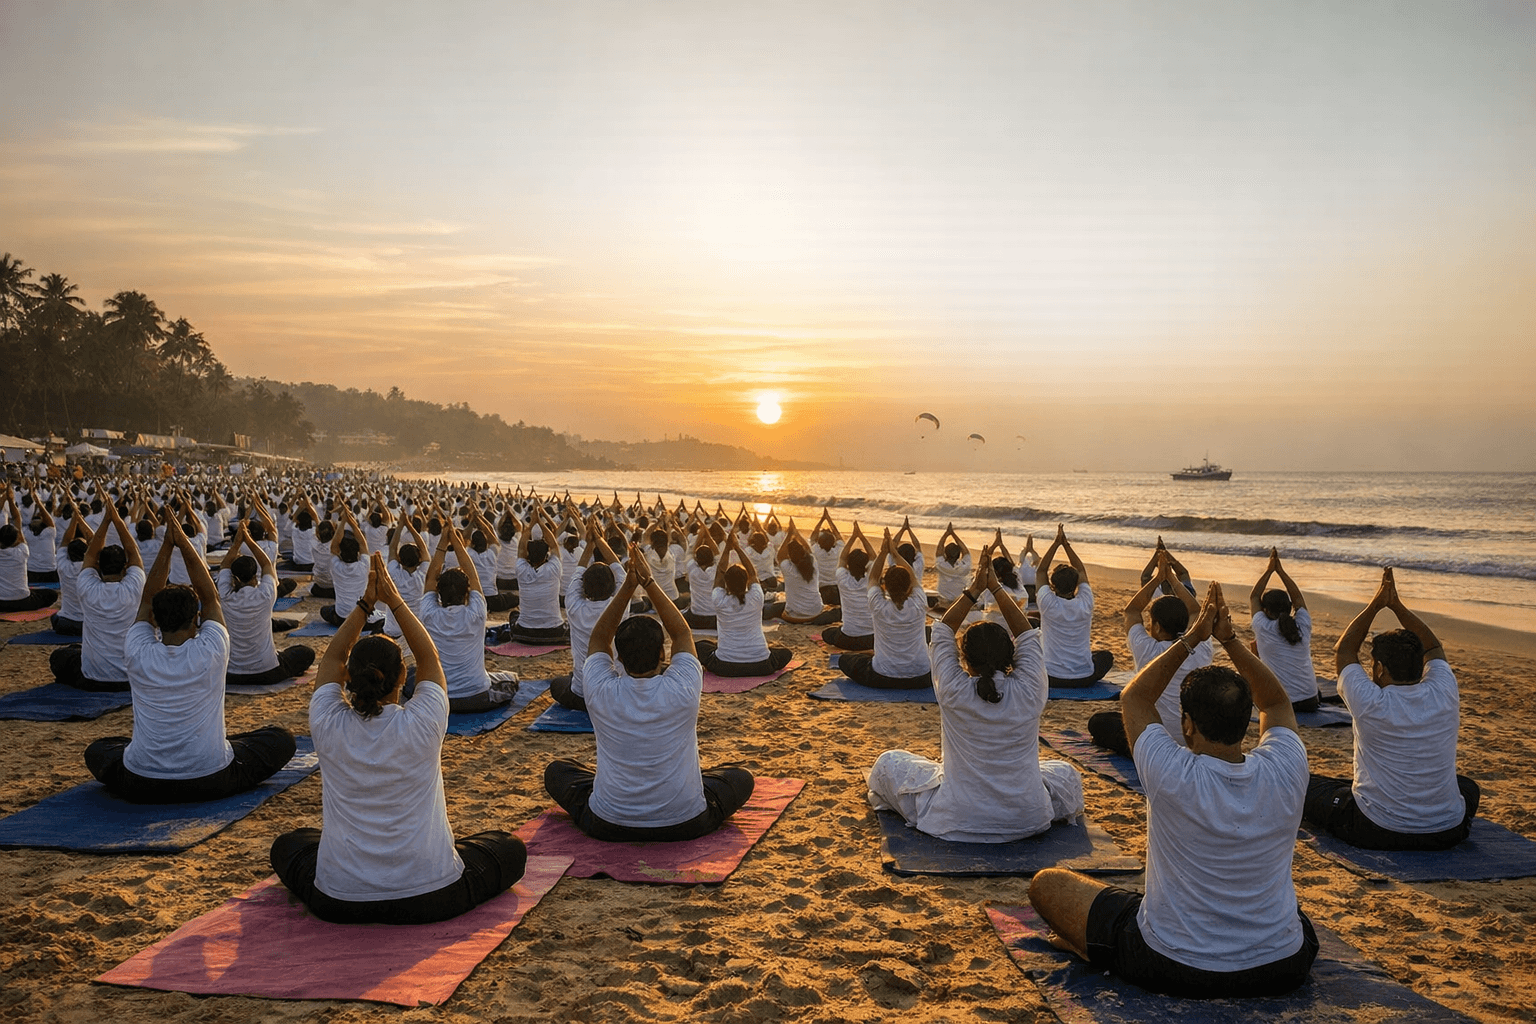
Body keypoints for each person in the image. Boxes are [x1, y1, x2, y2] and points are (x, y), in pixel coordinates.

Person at [1028, 582, 1318, 998]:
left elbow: (1136, 698)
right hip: (1283, 965)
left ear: (1186, 726)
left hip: (1173, 962)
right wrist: (1230, 640)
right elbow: (1276, 704)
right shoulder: (1287, 765)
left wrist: (1193, 638)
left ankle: (1098, 949)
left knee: (1046, 884)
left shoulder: (1171, 770)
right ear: (1246, 721)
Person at [270, 552, 526, 924]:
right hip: (433, 895)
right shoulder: (423, 719)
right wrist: (395, 601)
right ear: (404, 679)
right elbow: (430, 659)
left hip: (339, 900)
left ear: (347, 678)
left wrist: (364, 605)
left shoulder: (327, 720)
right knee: (510, 849)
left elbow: (330, 660)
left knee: (288, 845)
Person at [867, 549, 1084, 840]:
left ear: (964, 659)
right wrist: (994, 587)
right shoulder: (1031, 689)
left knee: (887, 762)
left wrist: (974, 591)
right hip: (1028, 817)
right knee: (1065, 773)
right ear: (1012, 657)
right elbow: (1027, 636)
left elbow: (942, 629)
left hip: (957, 816)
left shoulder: (953, 689)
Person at [544, 545, 755, 841]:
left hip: (608, 823)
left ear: (618, 658)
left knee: (557, 771)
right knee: (741, 778)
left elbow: (599, 637)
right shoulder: (682, 685)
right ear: (661, 655)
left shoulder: (599, 688)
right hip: (687, 821)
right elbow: (682, 633)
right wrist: (649, 582)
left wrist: (629, 587)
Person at [83, 514, 297, 802]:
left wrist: (168, 547)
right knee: (281, 738)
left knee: (98, 750)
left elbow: (147, 600)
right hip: (210, 778)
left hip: (142, 781)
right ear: (197, 620)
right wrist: (183, 544)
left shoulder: (136, 649)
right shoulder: (212, 648)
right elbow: (210, 598)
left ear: (155, 622)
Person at [1303, 567, 1479, 850]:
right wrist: (1397, 606)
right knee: (1467, 787)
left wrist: (1376, 604)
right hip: (1448, 831)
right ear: (1422, 666)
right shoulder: (1444, 690)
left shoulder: (1371, 701)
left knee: (1302, 784)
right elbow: (1433, 646)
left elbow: (1344, 651)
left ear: (1380, 668)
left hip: (1375, 828)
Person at [1087, 549, 1208, 757]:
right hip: (1190, 739)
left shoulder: (1147, 649)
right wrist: (1171, 579)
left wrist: (1157, 580)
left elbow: (1132, 611)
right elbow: (1197, 612)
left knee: (1099, 723)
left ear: (1158, 627)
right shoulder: (1201, 646)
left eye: (1151, 623)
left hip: (1157, 742)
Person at [50, 483, 145, 691]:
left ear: (98, 568)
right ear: (125, 568)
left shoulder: (86, 586)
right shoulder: (134, 586)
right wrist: (116, 520)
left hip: (93, 678)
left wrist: (106, 521)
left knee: (60, 656)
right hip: (131, 678)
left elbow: (92, 553)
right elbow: (132, 550)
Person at [418, 521, 519, 714]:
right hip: (478, 697)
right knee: (511, 679)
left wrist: (443, 543)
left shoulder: (429, 613)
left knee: (412, 679)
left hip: (441, 699)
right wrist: (456, 543)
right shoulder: (477, 612)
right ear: (467, 593)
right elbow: (472, 574)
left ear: (439, 594)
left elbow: (430, 578)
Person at [218, 520, 316, 687]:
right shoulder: (265, 594)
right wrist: (249, 540)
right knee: (306, 653)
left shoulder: (224, 596)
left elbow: (225, 565)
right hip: (267, 672)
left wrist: (237, 543)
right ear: (255, 577)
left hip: (232, 674)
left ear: (233, 578)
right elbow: (266, 564)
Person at [837, 529, 931, 689]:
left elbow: (873, 577)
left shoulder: (878, 604)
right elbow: (913, 576)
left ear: (885, 586)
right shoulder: (919, 601)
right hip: (921, 678)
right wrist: (894, 553)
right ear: (909, 586)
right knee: (928, 631)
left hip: (883, 676)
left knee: (844, 660)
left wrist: (884, 553)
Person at [549, 526, 628, 711]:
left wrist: (590, 544)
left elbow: (579, 569)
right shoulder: (619, 606)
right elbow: (619, 569)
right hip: (614, 693)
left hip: (583, 695)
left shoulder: (574, 605)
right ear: (612, 586)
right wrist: (599, 540)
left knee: (557, 684)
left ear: (584, 587)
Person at [694, 532, 793, 677]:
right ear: (746, 582)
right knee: (785, 653)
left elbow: (719, 575)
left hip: (725, 666)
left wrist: (727, 548)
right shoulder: (756, 596)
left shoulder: (720, 599)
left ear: (726, 584)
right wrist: (738, 548)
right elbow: (753, 573)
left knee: (699, 646)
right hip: (761, 665)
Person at [1034, 524, 1113, 687]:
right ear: (1077, 584)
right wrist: (1066, 544)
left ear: (1053, 586)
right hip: (1084, 678)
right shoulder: (1086, 601)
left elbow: (1041, 571)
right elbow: (1081, 570)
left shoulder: (1047, 603)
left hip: (1050, 677)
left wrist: (1056, 543)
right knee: (1106, 657)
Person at [1249, 548, 1322, 711]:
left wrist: (1269, 570)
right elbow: (1297, 598)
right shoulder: (1302, 624)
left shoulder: (1263, 626)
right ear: (1290, 608)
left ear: (1265, 610)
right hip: (1311, 700)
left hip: (1282, 704)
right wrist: (1281, 572)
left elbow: (1254, 596)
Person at [503, 502, 568, 644]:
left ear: (528, 554)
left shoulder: (521, 569)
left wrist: (532, 523)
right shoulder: (554, 568)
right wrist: (540, 521)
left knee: (514, 614)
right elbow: (554, 544)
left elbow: (521, 547)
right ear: (546, 555)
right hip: (554, 631)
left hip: (525, 631)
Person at [0, 481, 59, 612]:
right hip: (22, 600)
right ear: (16, 539)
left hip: (1, 602)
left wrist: (6, 498)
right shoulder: (22, 550)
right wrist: (10, 500)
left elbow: (17, 521)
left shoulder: (27, 537)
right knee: (51, 595)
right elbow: (18, 520)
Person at [822, 522, 875, 651]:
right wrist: (861, 537)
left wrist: (852, 537)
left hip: (848, 638)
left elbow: (842, 558)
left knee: (827, 634)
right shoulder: (872, 579)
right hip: (871, 639)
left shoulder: (842, 578)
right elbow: (874, 557)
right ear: (866, 565)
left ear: (848, 565)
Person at [775, 519, 839, 625]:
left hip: (794, 617)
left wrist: (789, 534)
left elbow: (780, 555)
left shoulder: (787, 567)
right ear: (804, 553)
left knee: (773, 607)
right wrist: (797, 534)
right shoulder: (813, 562)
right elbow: (808, 549)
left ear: (789, 556)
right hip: (816, 613)